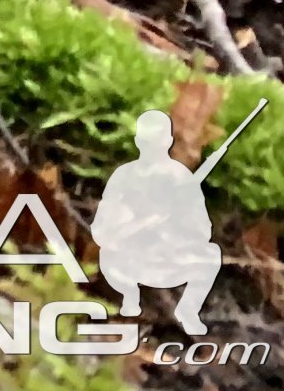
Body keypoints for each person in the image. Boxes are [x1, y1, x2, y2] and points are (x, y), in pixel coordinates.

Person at [94, 109, 223, 334]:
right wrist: (139, 223)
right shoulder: (124, 176)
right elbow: (102, 229)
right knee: (107, 256)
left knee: (211, 256)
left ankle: (188, 310)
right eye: (147, 141)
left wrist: (176, 221)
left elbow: (203, 230)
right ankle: (129, 298)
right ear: (138, 141)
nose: (153, 147)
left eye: (158, 141)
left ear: (169, 141)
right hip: (129, 259)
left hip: (167, 258)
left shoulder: (181, 178)